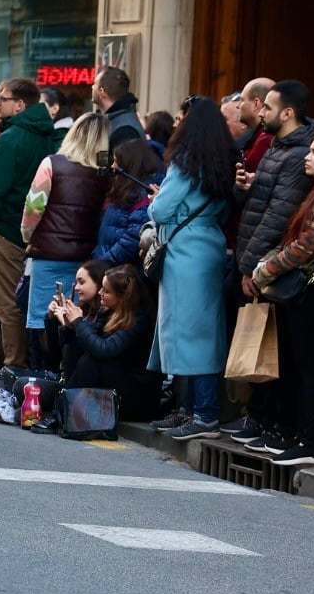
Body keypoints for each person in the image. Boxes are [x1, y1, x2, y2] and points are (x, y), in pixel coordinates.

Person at [250, 130, 314, 466]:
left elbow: (309, 244)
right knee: (300, 364)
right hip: (302, 289)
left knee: (311, 367)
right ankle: (301, 435)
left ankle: (311, 440)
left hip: (310, 291)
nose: (307, 157)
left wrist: (267, 269)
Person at [232, 79, 314, 453]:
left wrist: (251, 266)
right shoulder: (277, 146)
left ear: (287, 112)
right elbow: (263, 203)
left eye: (267, 107)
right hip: (258, 260)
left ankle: (283, 426)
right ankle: (269, 421)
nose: (259, 112)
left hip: (272, 266)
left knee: (285, 355)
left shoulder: (299, 153)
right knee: (272, 350)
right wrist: (246, 187)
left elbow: (278, 214)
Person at [147, 96, 236, 441]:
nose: (177, 122)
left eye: (182, 117)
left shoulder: (185, 161)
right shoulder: (222, 159)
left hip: (185, 248)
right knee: (202, 330)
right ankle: (195, 409)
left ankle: (201, 413)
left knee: (188, 333)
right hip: (209, 242)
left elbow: (162, 210)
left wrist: (156, 202)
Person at [21, 112, 109, 369]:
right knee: (75, 322)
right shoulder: (105, 174)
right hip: (86, 260)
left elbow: (33, 209)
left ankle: (39, 385)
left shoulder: (52, 164)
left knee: (40, 322)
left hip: (48, 256)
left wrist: (28, 237)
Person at [0, 77, 56, 369]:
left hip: (5, 229)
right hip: (33, 230)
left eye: (3, 98)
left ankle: (14, 366)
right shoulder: (47, 135)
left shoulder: (11, 138)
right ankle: (24, 363)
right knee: (24, 301)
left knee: (8, 304)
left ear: (20, 104)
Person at [52, 264, 157, 420]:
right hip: (108, 389)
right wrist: (70, 326)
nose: (100, 293)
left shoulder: (138, 319)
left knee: (92, 360)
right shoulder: (107, 311)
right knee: (28, 386)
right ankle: (63, 403)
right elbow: (77, 350)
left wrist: (79, 323)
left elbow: (104, 350)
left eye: (106, 291)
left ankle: (62, 410)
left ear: (123, 297)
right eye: (101, 288)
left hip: (137, 398)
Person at [93, 138, 161, 269]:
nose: (112, 166)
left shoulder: (144, 195)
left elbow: (132, 240)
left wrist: (102, 263)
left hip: (120, 271)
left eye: (116, 162)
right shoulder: (126, 191)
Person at [93, 66, 143, 148]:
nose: (92, 87)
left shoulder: (125, 131)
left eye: (95, 84)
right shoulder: (112, 121)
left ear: (102, 92)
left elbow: (126, 160)